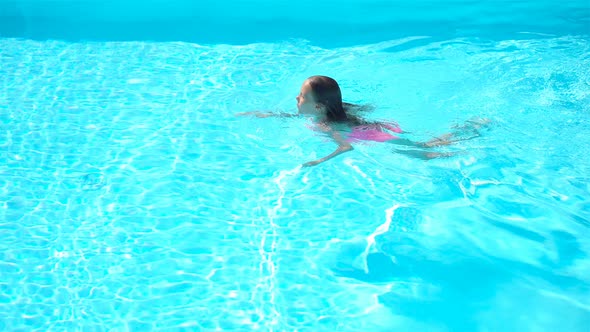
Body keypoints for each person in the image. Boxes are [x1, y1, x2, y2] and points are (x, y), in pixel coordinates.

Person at [238, 75, 490, 167]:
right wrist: (269, 114)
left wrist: (319, 160)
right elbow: (297, 116)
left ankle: (469, 136)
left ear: (317, 106)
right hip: (374, 125)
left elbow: (346, 146)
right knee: (423, 146)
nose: (296, 98)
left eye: (301, 96)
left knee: (424, 153)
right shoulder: (329, 111)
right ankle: (465, 130)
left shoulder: (328, 124)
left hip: (370, 134)